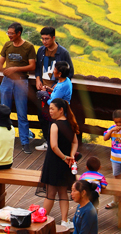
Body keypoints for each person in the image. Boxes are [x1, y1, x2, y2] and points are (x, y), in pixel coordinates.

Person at [0, 22, 36, 153]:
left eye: (11, 33)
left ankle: (25, 142)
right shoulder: (7, 45)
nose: (9, 35)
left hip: (21, 81)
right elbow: (0, 61)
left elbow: (32, 66)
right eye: (8, 33)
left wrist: (16, 69)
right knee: (4, 112)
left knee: (22, 113)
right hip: (6, 81)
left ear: (18, 33)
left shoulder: (29, 47)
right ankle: (3, 141)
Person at [36, 98, 79, 229]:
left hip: (55, 162)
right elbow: (75, 143)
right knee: (63, 193)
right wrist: (71, 156)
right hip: (65, 163)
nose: (50, 112)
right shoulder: (70, 123)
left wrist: (65, 157)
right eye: (49, 109)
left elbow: (54, 146)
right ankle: (65, 220)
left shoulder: (55, 125)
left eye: (52, 109)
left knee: (50, 193)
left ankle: (42, 221)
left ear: (61, 110)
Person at [34, 26, 74, 150]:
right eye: (42, 39)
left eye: (47, 39)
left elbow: (70, 72)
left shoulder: (63, 53)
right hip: (44, 90)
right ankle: (48, 141)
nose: (44, 41)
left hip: (55, 91)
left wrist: (58, 84)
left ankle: (56, 143)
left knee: (55, 118)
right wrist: (38, 79)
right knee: (43, 117)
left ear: (53, 38)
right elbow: (37, 68)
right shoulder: (41, 51)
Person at [36, 61, 73, 151]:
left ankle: (51, 146)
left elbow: (53, 102)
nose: (53, 71)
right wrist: (51, 90)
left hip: (58, 112)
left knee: (53, 129)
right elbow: (58, 94)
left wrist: (44, 95)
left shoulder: (61, 86)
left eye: (55, 69)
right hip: (62, 110)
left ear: (59, 74)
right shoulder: (65, 81)